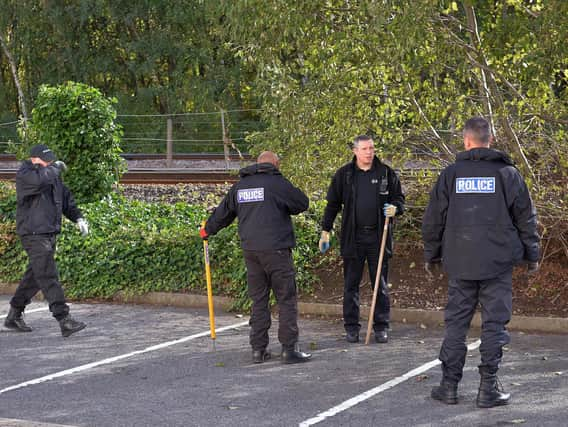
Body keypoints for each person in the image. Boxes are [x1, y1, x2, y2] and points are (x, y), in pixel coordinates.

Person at [422, 117, 540, 408]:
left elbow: (433, 219)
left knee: (456, 324)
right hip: (497, 262)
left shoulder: (451, 175)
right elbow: (526, 217)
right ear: (491, 139)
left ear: (466, 141)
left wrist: (431, 254)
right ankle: (488, 388)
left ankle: (449, 385)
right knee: (494, 324)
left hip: (460, 262)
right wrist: (532, 254)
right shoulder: (508, 174)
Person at [200, 151, 311, 364]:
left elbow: (222, 214)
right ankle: (289, 349)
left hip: (251, 252)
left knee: (258, 300)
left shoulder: (240, 186)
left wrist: (207, 231)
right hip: (277, 251)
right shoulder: (277, 183)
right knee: (286, 299)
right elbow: (302, 203)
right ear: (275, 165)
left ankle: (258, 350)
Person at [319, 135, 405, 344]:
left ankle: (381, 327)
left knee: (380, 284)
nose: (369, 152)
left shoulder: (386, 173)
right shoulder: (345, 175)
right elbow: (332, 204)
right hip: (353, 238)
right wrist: (325, 230)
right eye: (365, 149)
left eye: (372, 148)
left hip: (378, 237)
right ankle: (351, 327)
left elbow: (399, 199)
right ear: (355, 151)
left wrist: (396, 208)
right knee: (351, 284)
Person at [4, 144, 89, 337]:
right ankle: (64, 319)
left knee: (35, 276)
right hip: (33, 234)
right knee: (48, 275)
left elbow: (66, 199)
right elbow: (39, 182)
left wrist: (78, 217)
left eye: (51, 160)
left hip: (49, 233)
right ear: (34, 159)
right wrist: (55, 168)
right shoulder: (26, 174)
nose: (49, 163)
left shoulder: (50, 174)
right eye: (46, 160)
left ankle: (14, 315)